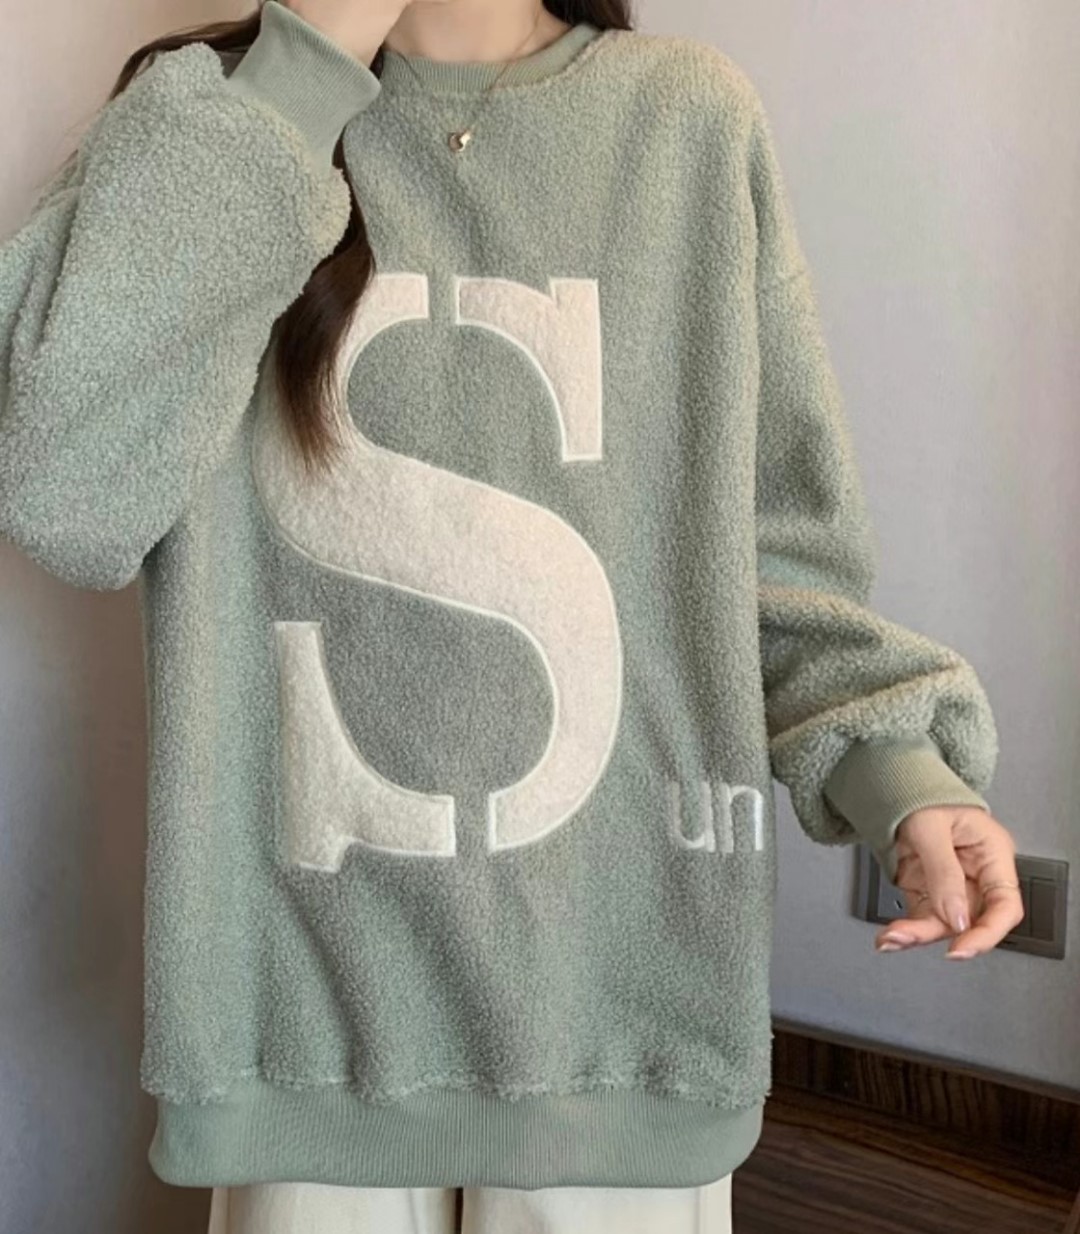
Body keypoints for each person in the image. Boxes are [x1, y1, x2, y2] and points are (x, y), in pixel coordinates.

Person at [0, 0, 1025, 1231]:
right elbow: (66, 496)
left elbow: (763, 548)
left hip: (615, 1009)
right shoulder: (215, 115)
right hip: (303, 1011)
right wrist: (308, 61)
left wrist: (898, 774)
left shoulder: (684, 123)